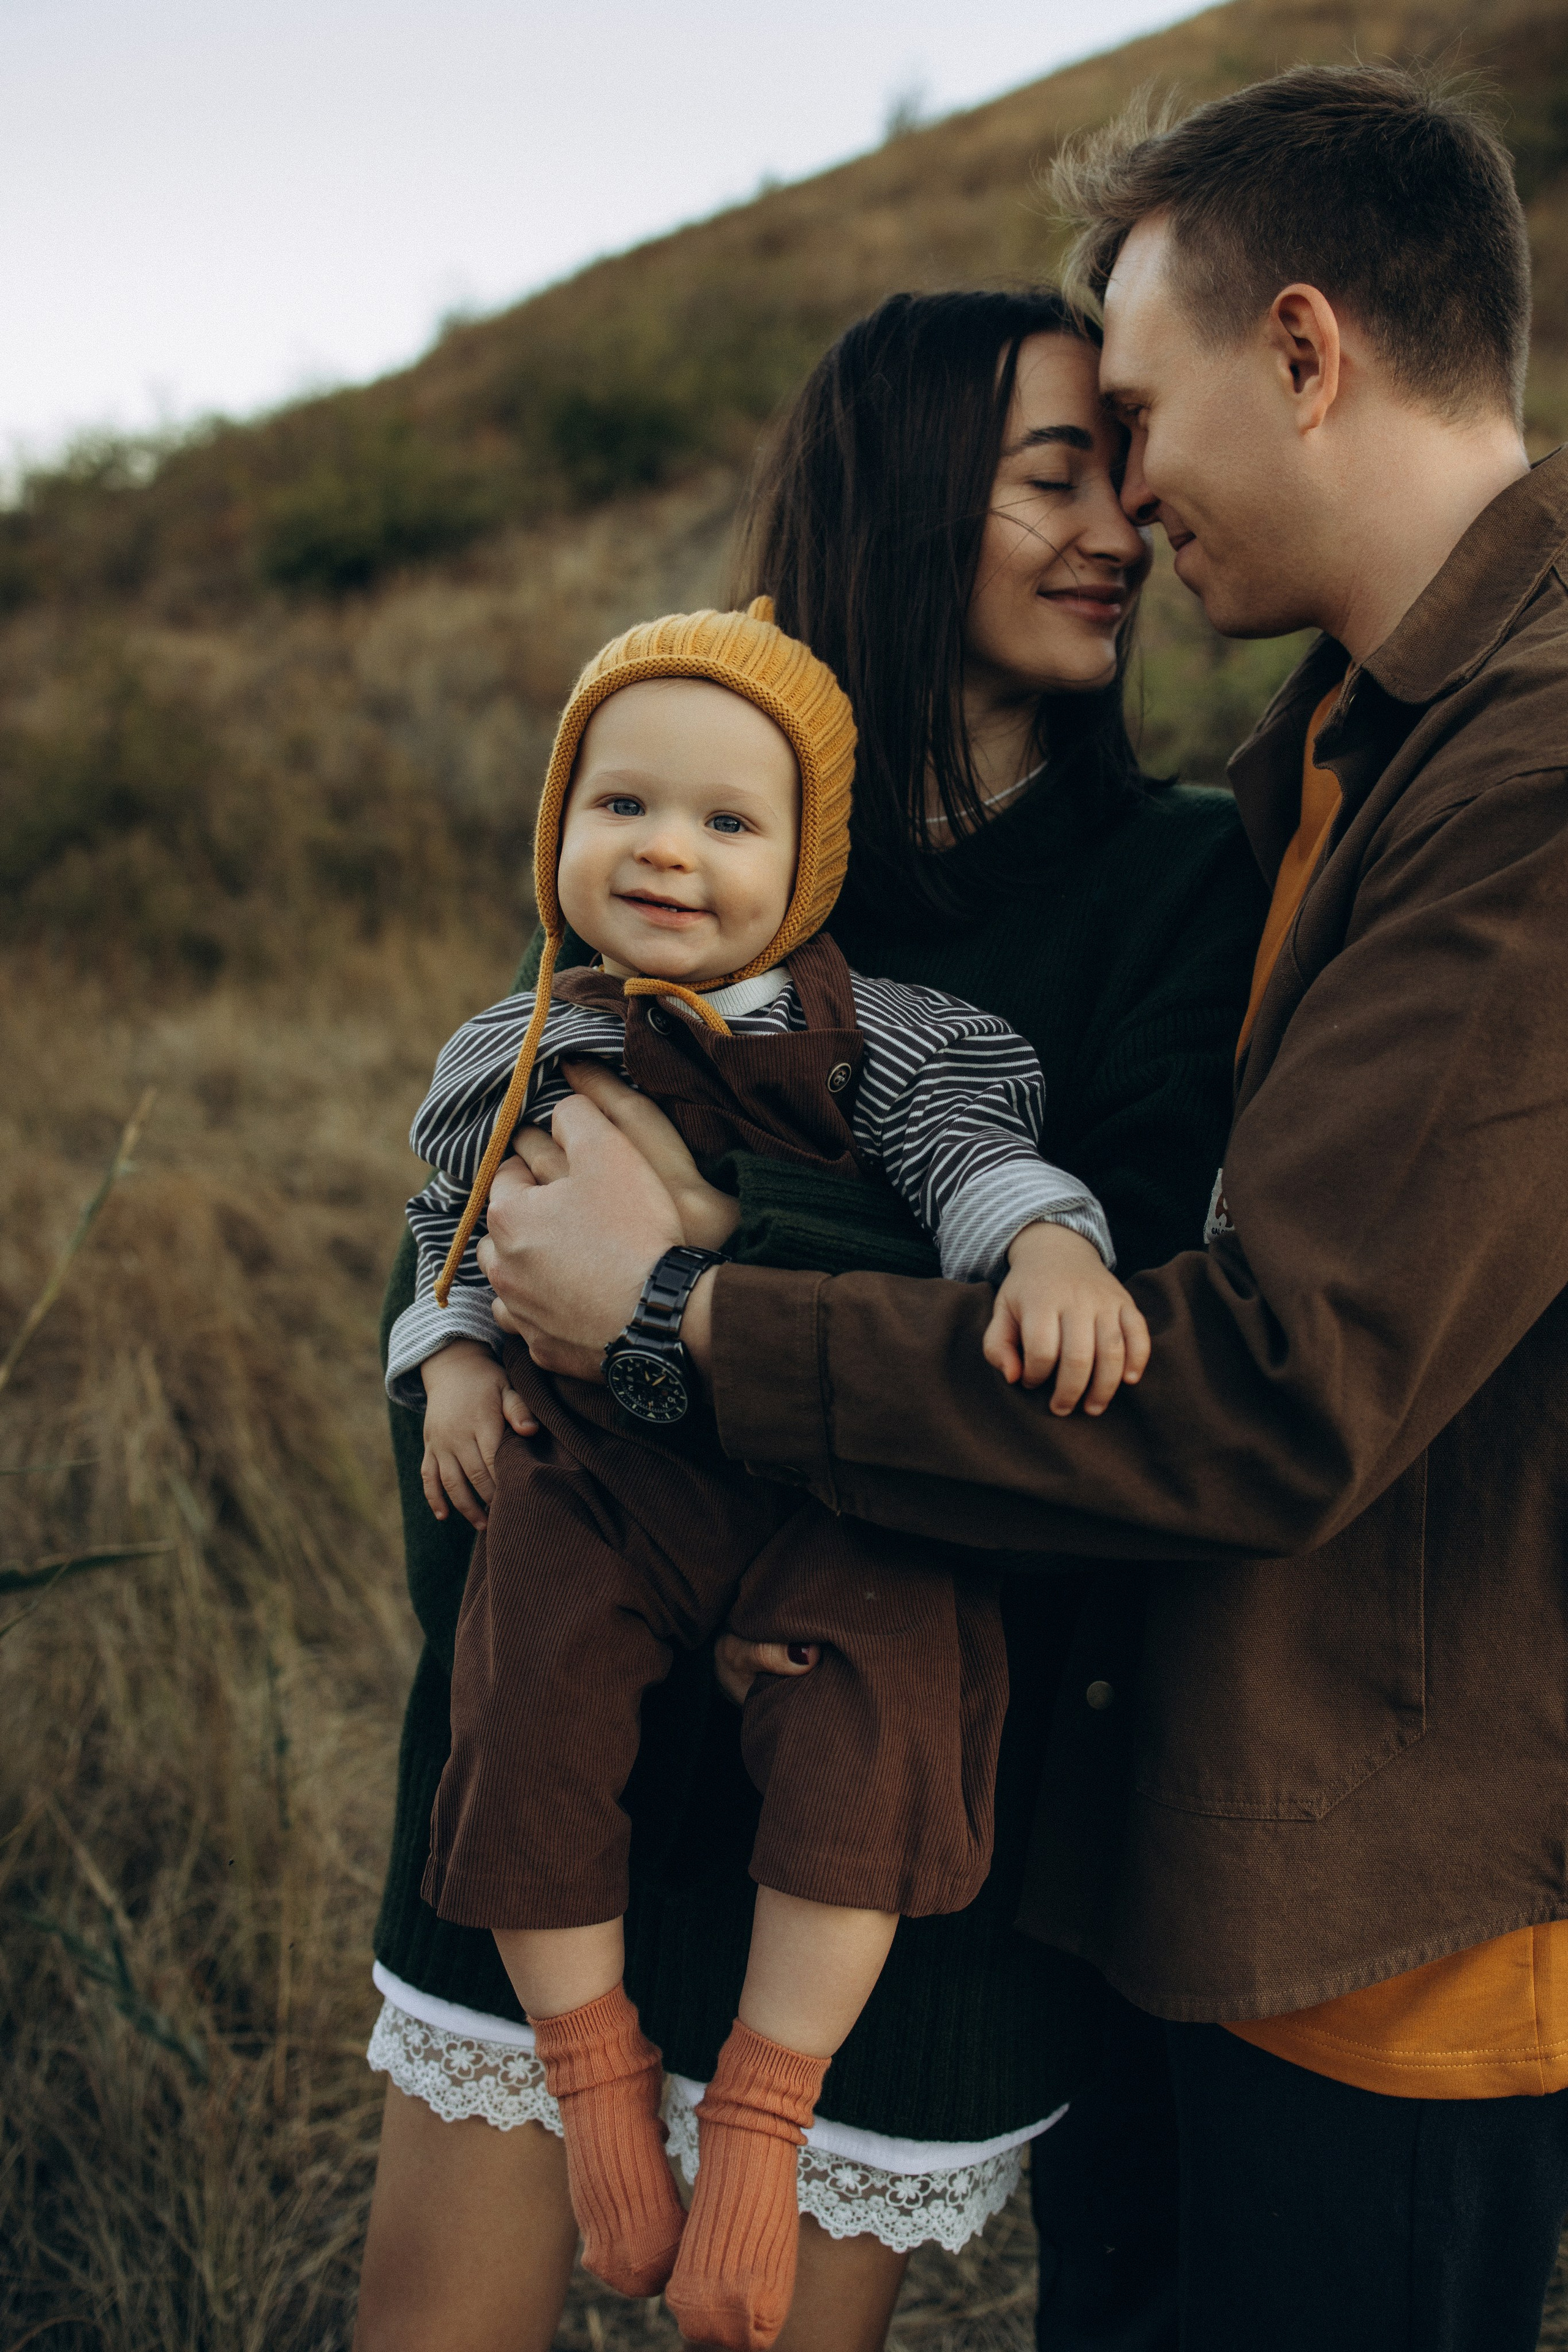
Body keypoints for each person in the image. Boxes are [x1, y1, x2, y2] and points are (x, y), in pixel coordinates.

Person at [477, 66, 1568, 2352]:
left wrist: (684, 1317)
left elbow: (1271, 1383)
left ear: (1305, 350)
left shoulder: (1536, 774)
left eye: (1144, 416)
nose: (1133, 490)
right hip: (1185, 1859)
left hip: (1380, 1925)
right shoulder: (1349, 744)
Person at [354, 288, 1265, 2352]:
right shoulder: (682, 791)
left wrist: (713, 1232)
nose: (1118, 520)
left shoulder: (1173, 884)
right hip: (559, 1740)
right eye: (1054, 472)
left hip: (887, 1755)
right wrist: (548, 1581)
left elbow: (1100, 1343)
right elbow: (465, 1247)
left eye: (1127, 469)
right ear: (907, 483)